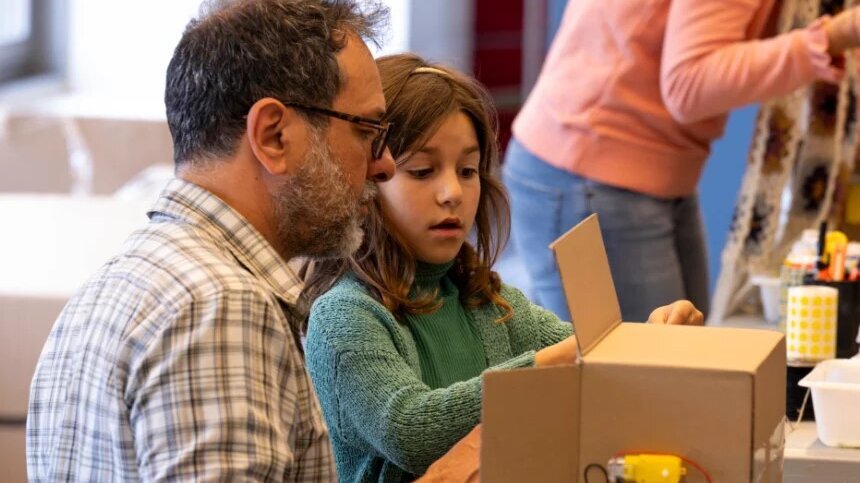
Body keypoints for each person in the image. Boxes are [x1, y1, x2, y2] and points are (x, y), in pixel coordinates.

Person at [26, 1, 396, 480]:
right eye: (368, 130)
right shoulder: (220, 307)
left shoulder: (110, 291)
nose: (383, 164)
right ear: (273, 136)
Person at [300, 53, 704, 483]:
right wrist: (559, 362)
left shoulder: (490, 304)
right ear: (367, 180)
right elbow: (411, 431)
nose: (452, 192)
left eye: (468, 170)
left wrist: (655, 339)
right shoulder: (343, 317)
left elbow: (598, 357)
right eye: (422, 171)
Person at [504, 0, 860, 322]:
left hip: (630, 169)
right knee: (646, 383)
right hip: (593, 172)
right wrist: (832, 37)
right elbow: (687, 85)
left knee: (680, 365)